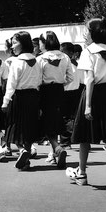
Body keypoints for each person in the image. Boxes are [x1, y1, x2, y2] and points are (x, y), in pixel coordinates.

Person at [65, 18, 106, 195]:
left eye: (87, 30)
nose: (85, 33)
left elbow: (90, 79)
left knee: (85, 136)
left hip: (91, 95)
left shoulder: (88, 52)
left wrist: (87, 106)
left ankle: (82, 173)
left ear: (93, 33)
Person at [1, 31, 42, 170]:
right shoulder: (36, 61)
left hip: (18, 97)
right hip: (33, 97)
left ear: (23, 44)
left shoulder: (17, 62)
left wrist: (5, 102)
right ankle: (26, 158)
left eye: (15, 43)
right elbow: (39, 81)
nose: (12, 47)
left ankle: (21, 150)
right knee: (29, 126)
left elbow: (11, 84)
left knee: (14, 126)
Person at [36, 31, 71, 169]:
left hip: (45, 91)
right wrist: (61, 84)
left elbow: (38, 79)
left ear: (44, 43)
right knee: (56, 121)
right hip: (59, 91)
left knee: (46, 121)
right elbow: (71, 78)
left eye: (40, 42)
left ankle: (57, 148)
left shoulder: (41, 59)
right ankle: (53, 153)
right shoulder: (65, 57)